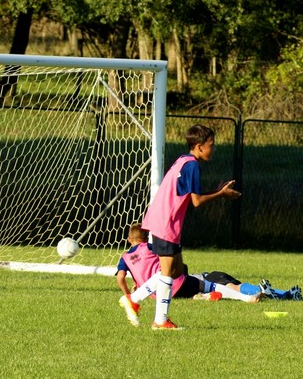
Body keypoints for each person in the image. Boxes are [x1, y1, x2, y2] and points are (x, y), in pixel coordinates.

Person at [136, 124, 242, 330]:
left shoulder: (182, 160)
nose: (213, 149)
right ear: (200, 146)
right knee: (168, 273)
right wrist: (221, 194)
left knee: (176, 271)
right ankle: (159, 320)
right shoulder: (192, 165)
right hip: (166, 223)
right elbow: (196, 201)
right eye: (211, 145)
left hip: (164, 221)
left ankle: (135, 299)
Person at [117, 223, 260, 327]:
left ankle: (199, 297)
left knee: (187, 289)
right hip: (174, 284)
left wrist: (128, 291)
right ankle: (246, 298)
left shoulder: (124, 258)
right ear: (147, 237)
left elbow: (120, 278)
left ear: (129, 240)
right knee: (208, 285)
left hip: (155, 294)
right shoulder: (149, 247)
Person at [192, 271, 301, 301]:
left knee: (235, 289)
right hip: (213, 275)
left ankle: (264, 292)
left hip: (208, 279)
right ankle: (286, 294)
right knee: (239, 288)